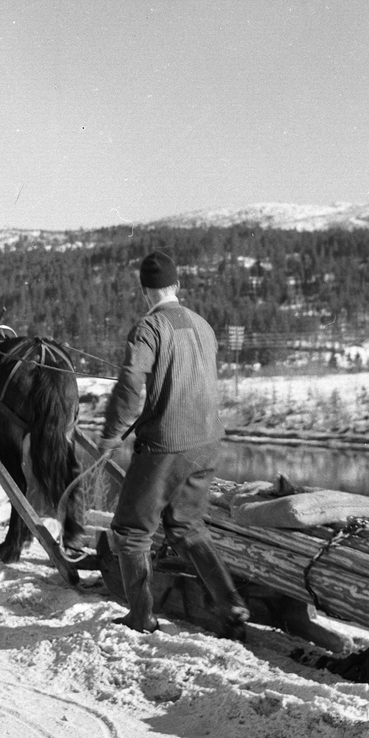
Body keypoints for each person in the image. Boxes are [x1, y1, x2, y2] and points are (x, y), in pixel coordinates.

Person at [98, 250, 250, 638]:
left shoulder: (148, 328)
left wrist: (112, 434)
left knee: (131, 532)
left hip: (167, 445)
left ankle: (141, 617)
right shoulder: (203, 325)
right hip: (208, 441)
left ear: (144, 291)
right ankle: (231, 603)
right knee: (187, 526)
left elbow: (131, 384)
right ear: (177, 286)